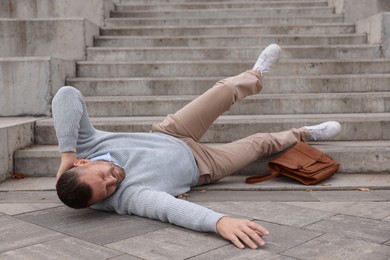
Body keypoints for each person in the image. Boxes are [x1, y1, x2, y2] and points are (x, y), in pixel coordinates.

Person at [53, 44, 341, 250]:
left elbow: (67, 94)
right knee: (259, 143)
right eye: (106, 191)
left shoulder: (85, 146)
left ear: (82, 163)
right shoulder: (126, 199)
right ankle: (303, 134)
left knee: (224, 91)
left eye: (103, 176)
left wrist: (66, 154)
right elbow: (170, 209)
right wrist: (221, 222)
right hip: (203, 166)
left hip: (171, 132)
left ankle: (256, 74)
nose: (112, 180)